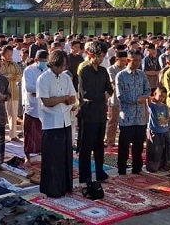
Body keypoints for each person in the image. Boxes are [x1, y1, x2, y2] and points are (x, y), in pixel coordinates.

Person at [37, 50, 78, 198]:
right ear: (54, 64)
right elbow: (47, 102)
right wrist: (63, 98)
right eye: (60, 66)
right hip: (51, 123)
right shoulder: (43, 78)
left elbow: (73, 98)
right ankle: (52, 189)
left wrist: (64, 99)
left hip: (65, 120)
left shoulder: (66, 78)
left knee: (66, 157)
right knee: (53, 158)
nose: (62, 69)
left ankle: (66, 186)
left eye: (64, 66)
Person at [77, 42, 113, 183]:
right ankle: (85, 176)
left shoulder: (103, 71)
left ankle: (99, 172)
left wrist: (104, 95)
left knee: (99, 146)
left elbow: (109, 89)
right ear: (91, 55)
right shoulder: (84, 71)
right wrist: (101, 96)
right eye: (98, 56)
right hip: (88, 113)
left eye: (103, 56)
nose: (101, 59)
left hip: (100, 113)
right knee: (86, 147)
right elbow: (85, 93)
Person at [115, 49, 152, 175]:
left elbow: (148, 89)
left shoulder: (142, 75)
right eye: (134, 60)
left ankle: (137, 168)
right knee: (124, 146)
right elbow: (121, 96)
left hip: (140, 117)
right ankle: (122, 168)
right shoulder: (121, 76)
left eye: (139, 60)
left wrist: (145, 97)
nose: (137, 63)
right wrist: (137, 100)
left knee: (138, 145)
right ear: (128, 60)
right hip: (127, 117)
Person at [21, 51, 47, 162]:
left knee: (43, 133)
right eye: (42, 61)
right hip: (32, 106)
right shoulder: (29, 70)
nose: (44, 64)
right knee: (30, 133)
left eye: (46, 61)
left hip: (45, 106)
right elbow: (29, 88)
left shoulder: (47, 70)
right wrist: (42, 90)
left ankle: (43, 152)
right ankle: (27, 156)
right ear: (36, 60)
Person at [0, 45, 23, 143]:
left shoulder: (14, 64)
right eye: (7, 54)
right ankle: (1, 135)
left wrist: (8, 76)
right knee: (1, 115)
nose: (9, 56)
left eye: (11, 54)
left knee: (13, 115)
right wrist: (10, 76)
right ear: (3, 54)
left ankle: (13, 135)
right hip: (1, 93)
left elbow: (19, 76)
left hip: (13, 92)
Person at [146, 87, 170, 172]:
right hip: (154, 131)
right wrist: (151, 98)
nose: (161, 98)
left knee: (165, 149)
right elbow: (147, 100)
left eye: (164, 97)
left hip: (164, 131)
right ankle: (153, 166)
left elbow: (168, 118)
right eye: (160, 96)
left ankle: (164, 165)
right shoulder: (152, 106)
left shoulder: (165, 107)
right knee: (155, 149)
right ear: (155, 94)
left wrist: (165, 121)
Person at [105, 50, 128, 147]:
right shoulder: (110, 69)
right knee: (113, 121)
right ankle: (110, 141)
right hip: (115, 100)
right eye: (122, 60)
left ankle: (125, 141)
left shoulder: (126, 69)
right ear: (116, 59)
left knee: (125, 122)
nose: (124, 62)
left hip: (126, 100)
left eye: (125, 60)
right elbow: (114, 83)